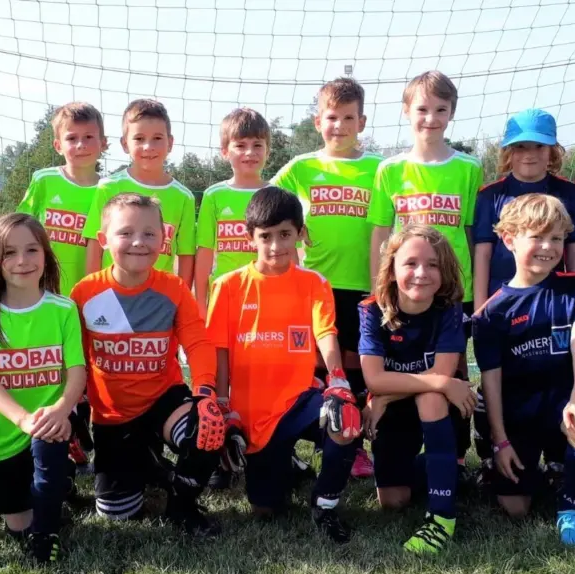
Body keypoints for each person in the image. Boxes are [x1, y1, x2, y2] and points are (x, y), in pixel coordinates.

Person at [206, 186, 363, 544]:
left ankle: (324, 504)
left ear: (299, 234)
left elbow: (326, 333)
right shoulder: (228, 286)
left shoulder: (313, 283)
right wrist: (223, 403)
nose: (276, 246)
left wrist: (338, 380)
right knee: (265, 510)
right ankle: (282, 462)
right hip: (254, 412)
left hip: (299, 399)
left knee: (343, 421)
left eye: (285, 235)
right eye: (266, 236)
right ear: (250, 238)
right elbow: (220, 351)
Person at [70, 193, 226, 537]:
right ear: (103, 240)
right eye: (125, 233)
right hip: (112, 414)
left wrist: (204, 393)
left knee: (207, 429)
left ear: (164, 240)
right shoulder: (84, 293)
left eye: (149, 234)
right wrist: (71, 406)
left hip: (163, 400)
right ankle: (154, 467)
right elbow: (73, 360)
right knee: (117, 516)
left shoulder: (173, 288)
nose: (138, 242)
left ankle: (182, 506)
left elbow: (197, 341)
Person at [367, 70, 484, 476]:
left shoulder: (468, 168)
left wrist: (478, 295)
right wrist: (376, 290)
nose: (430, 118)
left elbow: (472, 233)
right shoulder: (389, 169)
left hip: (454, 290)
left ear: (451, 113)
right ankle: (396, 444)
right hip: (405, 289)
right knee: (407, 363)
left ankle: (453, 455)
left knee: (453, 370)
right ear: (406, 112)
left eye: (440, 109)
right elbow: (381, 234)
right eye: (422, 109)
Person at [473, 193, 575, 546]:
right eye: (537, 237)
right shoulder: (491, 313)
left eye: (557, 238)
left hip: (561, 403)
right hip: (518, 414)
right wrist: (500, 440)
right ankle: (500, 466)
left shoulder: (574, 287)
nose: (548, 247)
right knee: (515, 508)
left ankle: (572, 512)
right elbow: (491, 383)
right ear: (509, 239)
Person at [271, 77, 384, 479]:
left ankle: (354, 446)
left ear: (362, 121)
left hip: (366, 285)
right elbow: (266, 204)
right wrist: (294, 232)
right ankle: (304, 438)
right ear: (318, 121)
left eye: (348, 117)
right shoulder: (301, 167)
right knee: (314, 365)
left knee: (355, 364)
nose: (340, 126)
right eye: (332, 118)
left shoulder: (379, 168)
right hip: (314, 285)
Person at [471, 108, 575, 483]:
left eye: (538, 146)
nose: (529, 154)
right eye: (520, 146)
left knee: (555, 366)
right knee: (503, 373)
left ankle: (560, 449)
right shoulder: (490, 195)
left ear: (552, 150)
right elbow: (483, 255)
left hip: (553, 302)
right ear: (508, 152)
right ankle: (490, 435)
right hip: (504, 302)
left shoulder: (571, 194)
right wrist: (479, 309)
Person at [0, 213, 87, 564]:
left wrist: (62, 409)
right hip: (11, 430)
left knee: (48, 451)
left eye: (32, 250)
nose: (22, 261)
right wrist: (21, 419)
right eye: (9, 253)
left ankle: (45, 537)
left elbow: (76, 371)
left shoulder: (63, 309)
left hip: (53, 423)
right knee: (17, 522)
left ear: (46, 255)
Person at [358, 225, 477, 553]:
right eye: (410, 263)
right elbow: (374, 379)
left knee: (430, 396)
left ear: (445, 271)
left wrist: (385, 394)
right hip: (398, 408)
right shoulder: (372, 309)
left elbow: (441, 377)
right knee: (393, 501)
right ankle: (449, 473)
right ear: (393, 269)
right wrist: (382, 393)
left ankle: (441, 518)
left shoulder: (449, 309)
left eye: (433, 264)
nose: (421, 273)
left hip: (437, 403)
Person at [16, 101, 107, 471]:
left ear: (103, 143)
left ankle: (82, 437)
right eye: (72, 138)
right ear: (58, 144)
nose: (81, 144)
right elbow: (20, 227)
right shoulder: (45, 181)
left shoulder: (110, 189)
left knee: (85, 367)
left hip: (88, 297)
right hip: (45, 296)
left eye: (89, 137)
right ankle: (52, 434)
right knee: (51, 366)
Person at [81, 99, 196, 283]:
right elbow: (95, 244)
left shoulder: (183, 197)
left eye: (157, 138)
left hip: (159, 298)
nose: (148, 147)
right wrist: (90, 292)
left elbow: (186, 254)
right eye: (139, 139)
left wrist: (182, 300)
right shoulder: (108, 187)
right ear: (125, 143)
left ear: (170, 143)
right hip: (113, 295)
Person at [194, 107, 271, 315]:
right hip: (224, 294)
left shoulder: (277, 194)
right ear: (225, 151)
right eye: (240, 145)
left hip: (267, 294)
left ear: (268, 150)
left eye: (257, 145)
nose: (250, 152)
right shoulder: (214, 195)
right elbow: (204, 253)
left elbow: (290, 253)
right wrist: (200, 304)